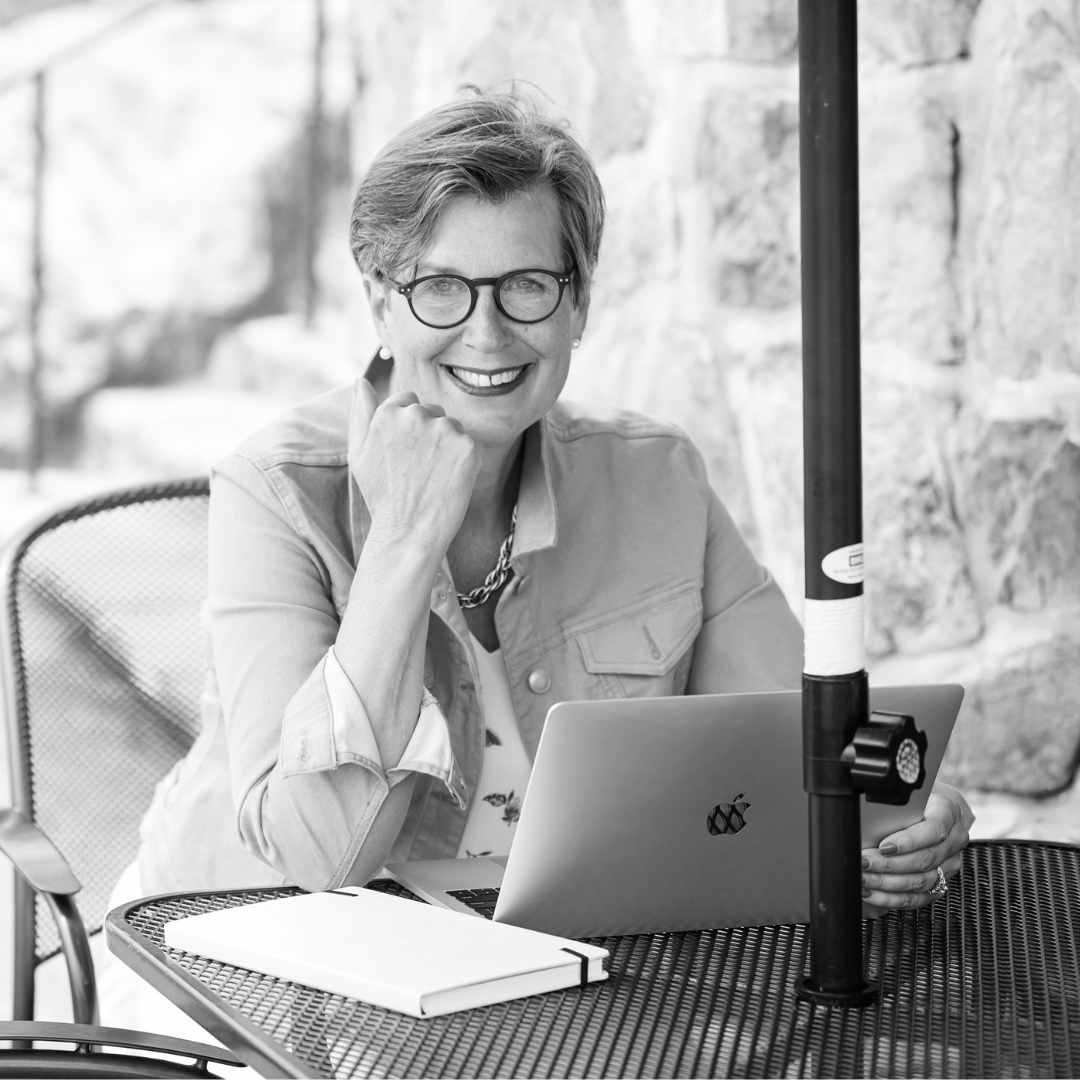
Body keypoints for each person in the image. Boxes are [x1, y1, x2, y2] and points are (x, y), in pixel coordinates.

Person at [128, 90, 971, 923]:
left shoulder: (658, 478)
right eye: (441, 288)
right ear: (382, 304)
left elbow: (799, 738)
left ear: (580, 305)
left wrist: (902, 808)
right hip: (251, 959)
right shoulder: (271, 491)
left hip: (556, 974)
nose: (488, 332)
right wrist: (407, 536)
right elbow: (317, 853)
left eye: (527, 285)